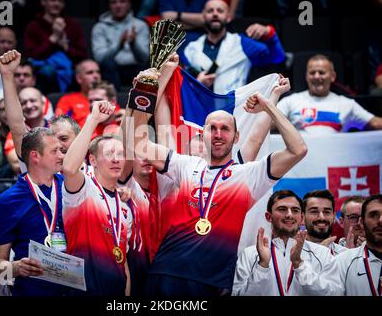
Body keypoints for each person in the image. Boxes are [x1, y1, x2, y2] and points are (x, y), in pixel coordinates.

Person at [131, 81, 307, 295]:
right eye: (211, 128)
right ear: (202, 133)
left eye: (225, 129)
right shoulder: (186, 165)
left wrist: (269, 106)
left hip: (211, 279)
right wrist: (142, 94)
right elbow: (136, 142)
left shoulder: (249, 174)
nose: (217, 134)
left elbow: (298, 149)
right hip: (166, 271)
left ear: (236, 137)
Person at [0, 50, 68, 296]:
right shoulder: (8, 201)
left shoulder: (72, 184)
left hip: (75, 288)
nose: (62, 155)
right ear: (34, 157)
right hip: (32, 291)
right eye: (55, 150)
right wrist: (13, 268)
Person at [62, 100, 133, 296]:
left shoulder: (125, 208)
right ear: (92, 160)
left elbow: (123, 262)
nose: (117, 159)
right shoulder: (84, 189)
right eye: (110, 153)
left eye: (121, 154)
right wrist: (93, 119)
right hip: (81, 291)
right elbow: (68, 168)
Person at [233, 190, 342, 295]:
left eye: (295, 210)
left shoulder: (322, 254)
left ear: (302, 217)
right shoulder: (250, 254)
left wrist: (300, 265)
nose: (289, 215)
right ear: (268, 217)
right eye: (282, 209)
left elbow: (334, 293)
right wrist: (262, 266)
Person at [184, 0, 285, 94]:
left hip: (235, 108)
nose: (215, 14)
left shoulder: (242, 43)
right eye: (210, 11)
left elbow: (278, 57)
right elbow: (183, 87)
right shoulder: (191, 49)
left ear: (228, 17)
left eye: (220, 11)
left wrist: (269, 33)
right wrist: (196, 84)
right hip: (201, 108)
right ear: (204, 16)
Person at [278, 54, 382, 133]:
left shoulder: (346, 104)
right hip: (300, 161)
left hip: (334, 160)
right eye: (312, 73)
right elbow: (266, 123)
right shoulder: (290, 101)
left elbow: (376, 123)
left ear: (332, 76)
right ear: (306, 76)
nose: (317, 76)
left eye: (321, 72)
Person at [24, 0, 88, 93]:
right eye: (52, 0)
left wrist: (65, 46)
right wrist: (53, 39)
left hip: (69, 67)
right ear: (43, 2)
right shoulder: (33, 26)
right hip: (43, 67)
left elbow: (82, 55)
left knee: (82, 72)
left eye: (60, 1)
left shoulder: (73, 25)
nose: (56, 4)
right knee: (48, 71)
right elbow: (31, 56)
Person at [0, 60, 54, 134]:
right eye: (17, 75)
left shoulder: (41, 100)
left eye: (26, 75)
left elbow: (46, 127)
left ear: (33, 80)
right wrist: (11, 127)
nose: (21, 78)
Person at [92, 0, 149, 90]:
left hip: (136, 68)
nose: (118, 5)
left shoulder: (140, 25)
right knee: (107, 64)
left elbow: (144, 58)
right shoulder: (99, 27)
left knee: (147, 68)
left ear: (129, 4)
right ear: (109, 5)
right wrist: (119, 45)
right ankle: (113, 100)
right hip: (111, 70)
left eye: (122, 1)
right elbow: (99, 58)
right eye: (114, 2)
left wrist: (133, 44)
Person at [336, 194, 382, 296]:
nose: (358, 223)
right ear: (341, 222)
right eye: (353, 217)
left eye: (361, 217)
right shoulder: (336, 258)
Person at [55, 59, 102, 127]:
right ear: (79, 78)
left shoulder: (107, 97)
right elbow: (58, 125)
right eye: (90, 72)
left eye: (98, 72)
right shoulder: (67, 100)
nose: (96, 76)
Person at [302, 189, 347, 255]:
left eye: (327, 212)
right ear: (302, 217)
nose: (321, 217)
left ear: (334, 216)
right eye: (314, 212)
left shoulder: (346, 256)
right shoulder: (292, 255)